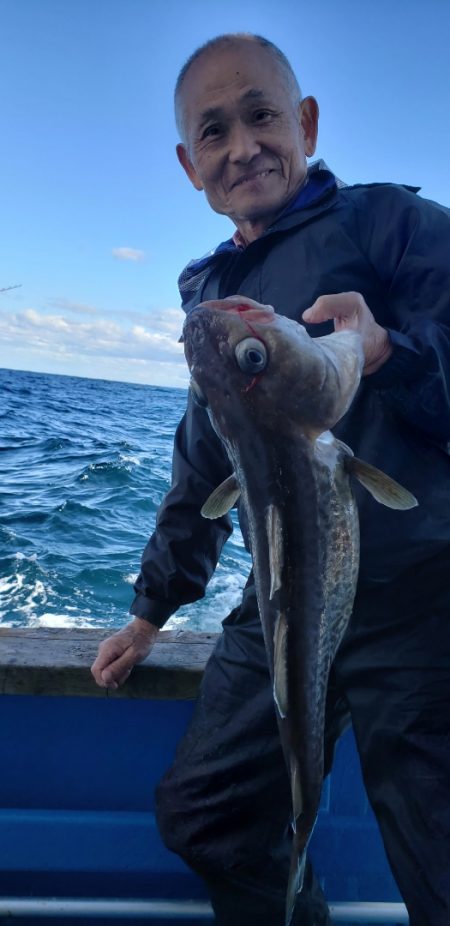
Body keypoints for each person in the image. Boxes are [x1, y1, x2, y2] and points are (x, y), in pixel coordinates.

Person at [91, 33, 450, 926]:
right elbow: (205, 462)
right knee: (203, 815)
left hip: (424, 604)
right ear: (190, 165)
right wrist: (151, 608)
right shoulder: (213, 296)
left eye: (261, 116)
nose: (242, 146)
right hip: (282, 599)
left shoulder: (390, 223)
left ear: (308, 125)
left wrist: (390, 352)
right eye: (213, 131)